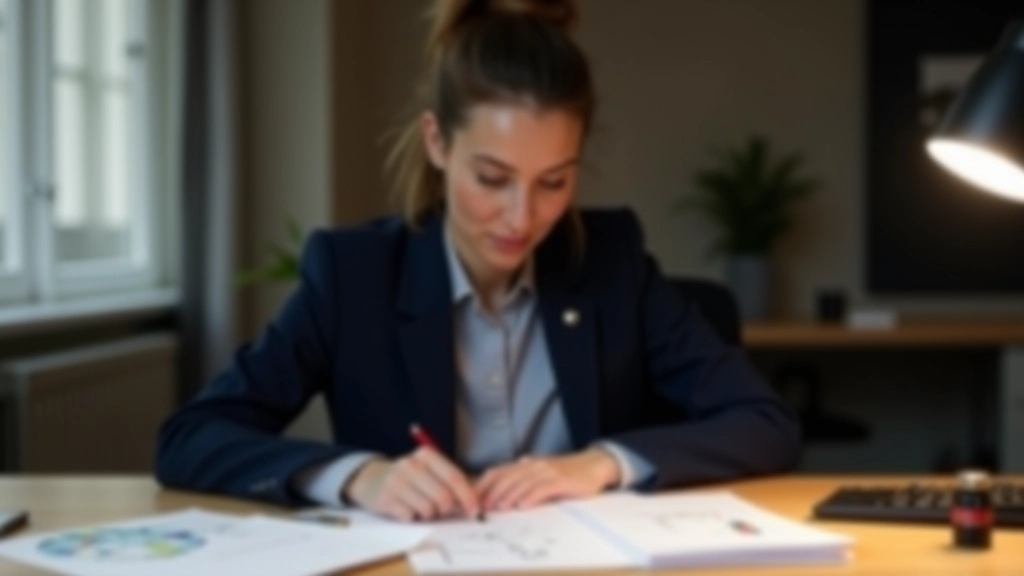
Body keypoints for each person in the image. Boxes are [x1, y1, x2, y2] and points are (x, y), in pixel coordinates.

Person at [156, 0, 799, 522]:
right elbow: (191, 438)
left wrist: (599, 463)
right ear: (437, 142)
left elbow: (763, 421)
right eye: (492, 178)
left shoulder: (611, 261)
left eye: (554, 182)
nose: (522, 219)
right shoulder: (354, 277)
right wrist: (360, 477)